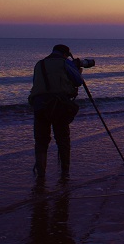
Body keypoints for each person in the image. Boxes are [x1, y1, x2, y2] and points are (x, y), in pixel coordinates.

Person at [29, 44, 83, 179]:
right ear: (66, 54)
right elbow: (78, 81)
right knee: (63, 140)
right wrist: (78, 70)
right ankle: (65, 172)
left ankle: (41, 174)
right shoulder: (65, 63)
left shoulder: (39, 64)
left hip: (39, 106)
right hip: (59, 106)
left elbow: (36, 83)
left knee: (41, 141)